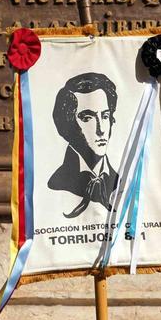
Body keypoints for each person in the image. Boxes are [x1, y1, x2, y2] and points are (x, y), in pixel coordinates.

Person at [49, 72, 119, 217]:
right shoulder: (56, 185)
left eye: (105, 116)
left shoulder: (121, 181)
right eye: (88, 118)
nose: (101, 130)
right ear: (67, 124)